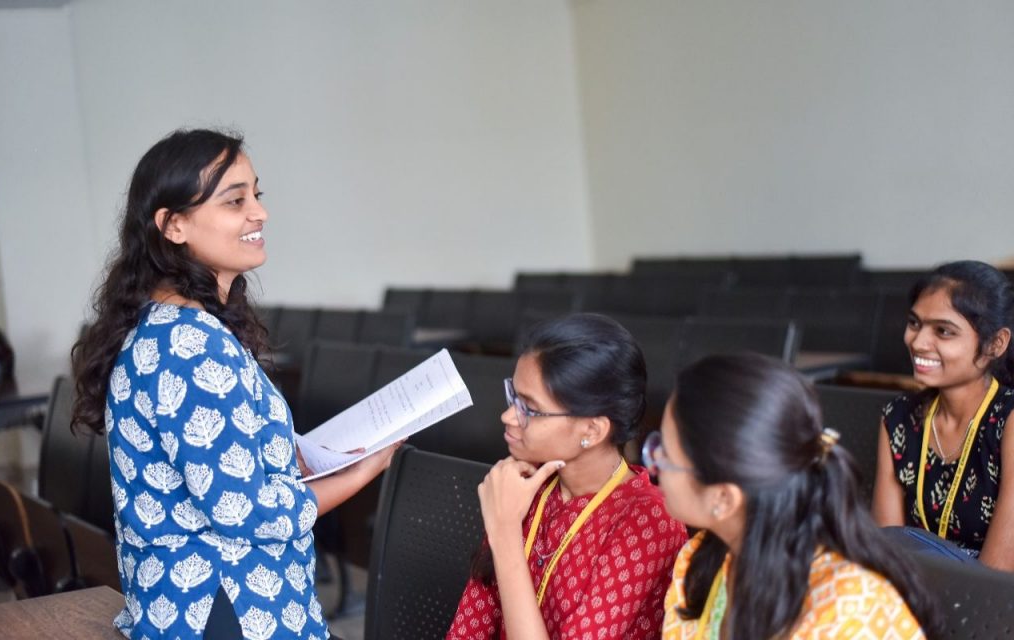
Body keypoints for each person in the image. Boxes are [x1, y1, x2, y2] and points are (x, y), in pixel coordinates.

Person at [71, 128, 400, 639]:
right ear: (174, 225)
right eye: (234, 201)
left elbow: (221, 460)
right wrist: (366, 471)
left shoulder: (168, 325)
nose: (259, 212)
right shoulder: (191, 342)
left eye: (256, 195)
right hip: (229, 609)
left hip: (189, 605)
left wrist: (303, 456)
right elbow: (242, 511)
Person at [650, 353, 942, 639]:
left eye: (665, 454)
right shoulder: (700, 560)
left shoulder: (849, 606)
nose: (653, 464)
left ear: (724, 499)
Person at [447, 313, 688, 640]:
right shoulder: (524, 486)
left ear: (592, 429)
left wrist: (504, 533)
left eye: (529, 408)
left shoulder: (648, 521)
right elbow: (469, 628)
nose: (508, 416)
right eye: (513, 397)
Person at [872, 260, 1014, 569]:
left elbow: (997, 580)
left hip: (992, 604)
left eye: (944, 331)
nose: (918, 342)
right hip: (915, 591)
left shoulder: (1009, 421)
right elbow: (884, 550)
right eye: (914, 323)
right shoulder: (898, 418)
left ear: (995, 343)